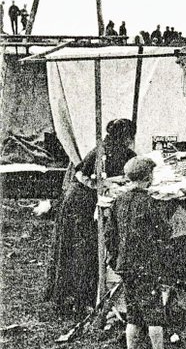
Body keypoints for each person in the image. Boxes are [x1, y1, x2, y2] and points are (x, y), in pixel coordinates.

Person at [45, 118, 138, 315]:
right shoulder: (103, 151)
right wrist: (105, 185)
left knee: (86, 250)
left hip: (85, 199)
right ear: (125, 137)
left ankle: (80, 297)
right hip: (80, 201)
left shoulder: (118, 151)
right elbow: (84, 175)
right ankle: (74, 299)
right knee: (80, 250)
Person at [106, 156, 185, 349]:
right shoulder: (149, 203)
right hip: (145, 266)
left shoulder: (118, 202)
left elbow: (109, 235)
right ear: (149, 177)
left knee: (134, 313)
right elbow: (164, 232)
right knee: (154, 312)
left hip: (125, 266)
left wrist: (115, 260)